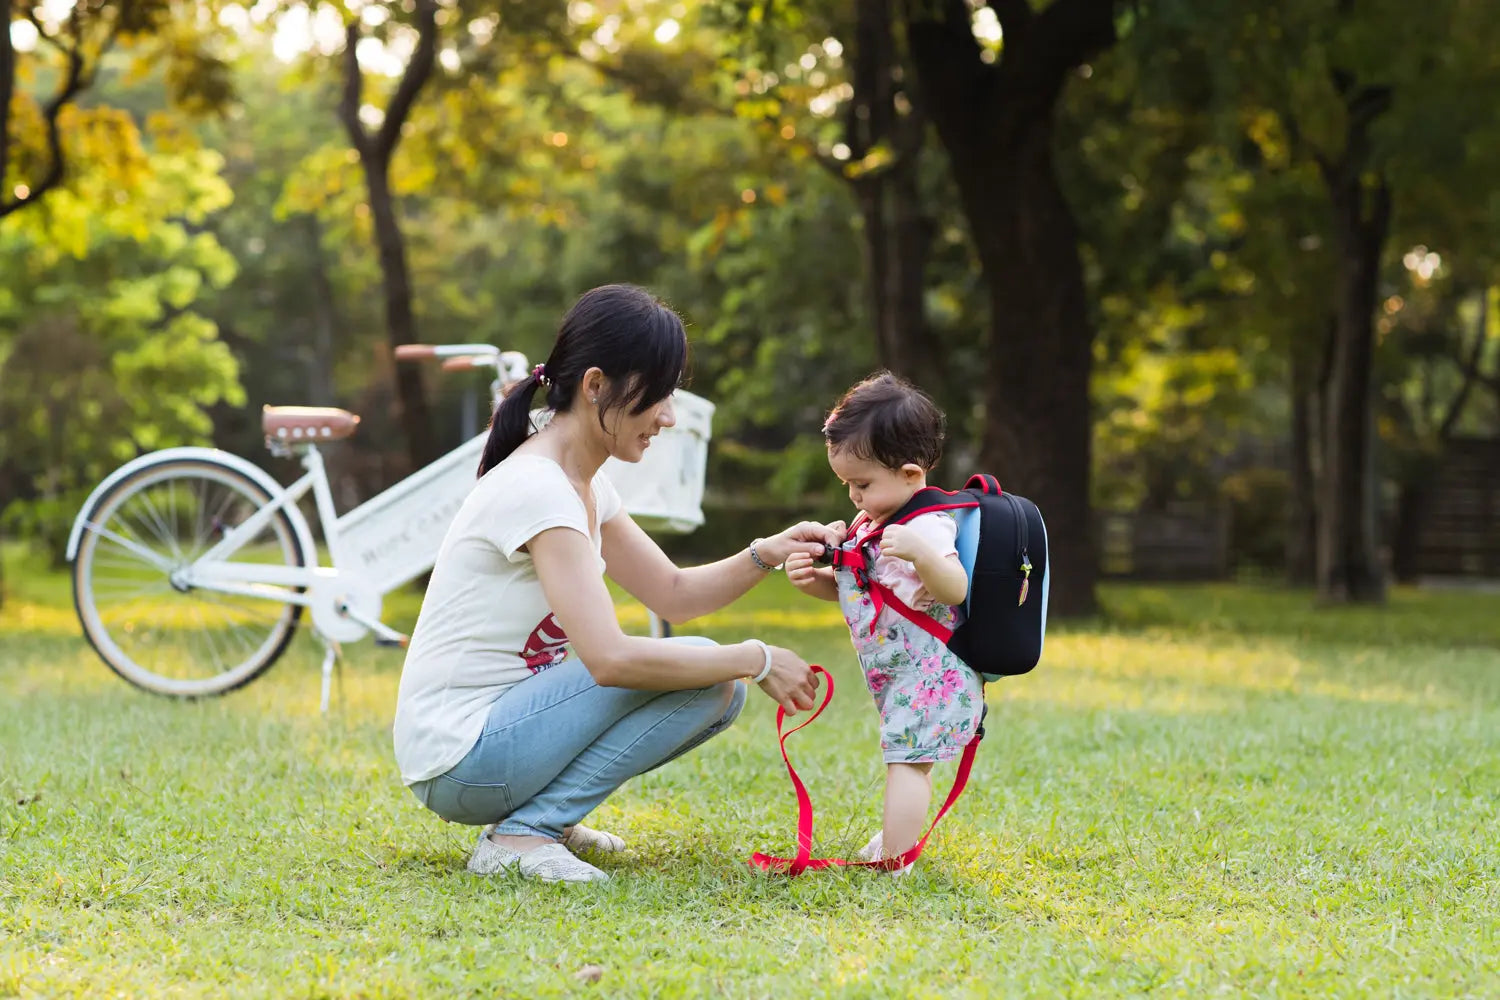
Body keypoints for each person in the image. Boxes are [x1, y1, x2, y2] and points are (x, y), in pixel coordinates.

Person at [393, 284, 841, 884]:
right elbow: (607, 659)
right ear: (596, 385)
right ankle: (526, 833)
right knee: (718, 670)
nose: (669, 415)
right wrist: (756, 658)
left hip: (492, 742)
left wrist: (767, 552)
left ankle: (543, 817)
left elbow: (673, 594)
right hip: (461, 756)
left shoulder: (583, 483)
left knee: (716, 682)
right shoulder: (539, 487)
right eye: (657, 394)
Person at [784, 372, 985, 876]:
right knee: (907, 758)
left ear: (912, 474)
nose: (852, 496)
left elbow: (954, 590)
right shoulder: (874, 524)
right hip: (902, 674)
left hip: (935, 673)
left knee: (908, 763)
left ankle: (895, 861)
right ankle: (895, 842)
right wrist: (815, 581)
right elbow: (868, 597)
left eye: (862, 484)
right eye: (846, 484)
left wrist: (923, 554)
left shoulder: (924, 525)